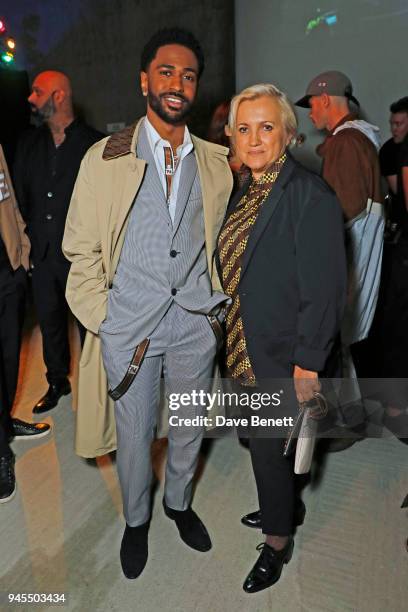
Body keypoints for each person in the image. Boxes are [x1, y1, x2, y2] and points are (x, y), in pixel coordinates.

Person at [62, 28, 233, 580]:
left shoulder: (216, 160)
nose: (177, 84)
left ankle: (178, 503)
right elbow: (79, 248)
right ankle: (137, 519)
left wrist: (215, 314)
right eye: (166, 72)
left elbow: (226, 241)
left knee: (188, 424)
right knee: (134, 436)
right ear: (144, 81)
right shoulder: (105, 156)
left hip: (194, 324)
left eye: (188, 75)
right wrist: (105, 321)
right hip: (128, 326)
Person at [217, 83, 346, 593]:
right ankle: (282, 505)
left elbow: (326, 290)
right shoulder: (247, 189)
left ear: (288, 134)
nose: (253, 139)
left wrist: (307, 365)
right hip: (245, 341)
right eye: (243, 129)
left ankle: (277, 542)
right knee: (263, 445)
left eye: (266, 127)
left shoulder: (308, 196)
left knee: (270, 446)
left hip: (283, 355)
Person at [296, 71, 383, 449]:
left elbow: (339, 214)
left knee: (332, 338)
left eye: (311, 103)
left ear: (326, 99)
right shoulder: (361, 139)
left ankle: (341, 422)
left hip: (349, 261)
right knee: (345, 341)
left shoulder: (345, 144)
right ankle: (353, 413)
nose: (310, 112)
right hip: (363, 256)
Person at [13, 71, 104, 415]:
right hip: (43, 253)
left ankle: (98, 384)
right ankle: (56, 381)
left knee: (89, 325)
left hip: (82, 258)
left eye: (38, 92)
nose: (31, 98)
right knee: (49, 320)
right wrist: (25, 247)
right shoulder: (27, 144)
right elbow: (20, 200)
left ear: (59, 96)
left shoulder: (95, 144)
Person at [0, 143, 51, 504]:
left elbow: (7, 198)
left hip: (7, 271)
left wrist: (22, 248)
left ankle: (4, 422)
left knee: (8, 357)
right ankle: (1, 452)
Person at [379, 96, 408, 229]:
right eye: (392, 123)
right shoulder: (388, 151)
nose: (393, 129)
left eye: (398, 124)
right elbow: (400, 191)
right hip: (401, 223)